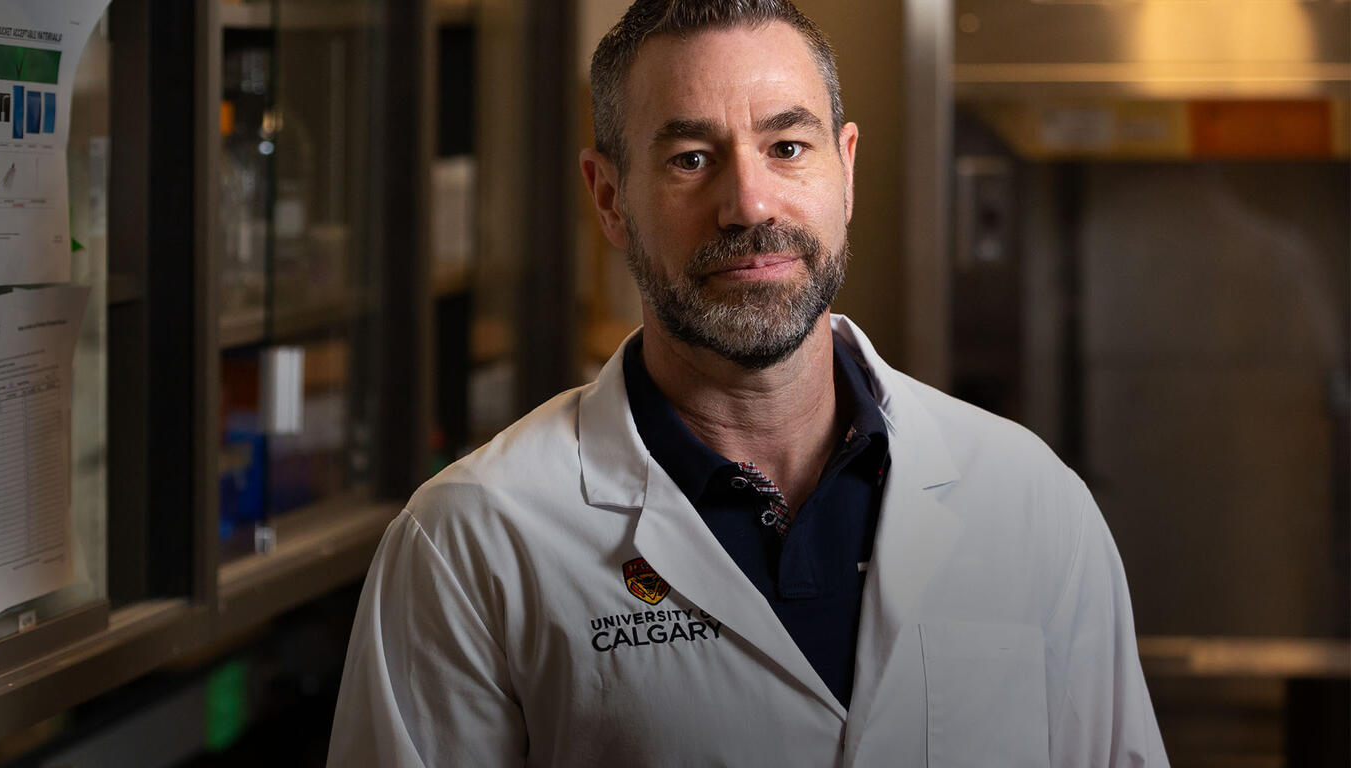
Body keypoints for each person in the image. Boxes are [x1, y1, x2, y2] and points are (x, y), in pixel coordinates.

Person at [326, 1, 1168, 765]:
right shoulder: (472, 539)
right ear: (610, 198)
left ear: (845, 170)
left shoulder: (1030, 500)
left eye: (787, 147)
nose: (749, 204)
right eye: (692, 158)